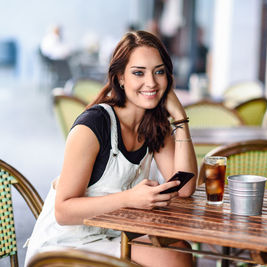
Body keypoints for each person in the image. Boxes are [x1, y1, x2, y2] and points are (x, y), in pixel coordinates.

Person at [25, 31, 197, 267]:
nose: (152, 82)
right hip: (65, 247)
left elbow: (185, 188)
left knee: (179, 249)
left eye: (159, 71)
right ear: (120, 78)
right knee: (174, 257)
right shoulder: (93, 125)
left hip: (116, 236)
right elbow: (63, 211)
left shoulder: (155, 125)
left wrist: (180, 118)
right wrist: (130, 198)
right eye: (139, 72)